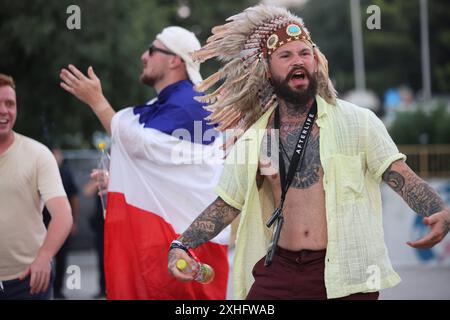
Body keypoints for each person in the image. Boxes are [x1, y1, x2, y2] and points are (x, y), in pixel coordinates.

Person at [167, 5, 450, 300]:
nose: (297, 61)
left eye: (304, 53)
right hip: (281, 269)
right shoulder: (258, 135)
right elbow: (228, 203)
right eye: (285, 56)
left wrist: (437, 210)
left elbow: (399, 174)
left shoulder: (357, 121)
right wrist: (181, 244)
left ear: (315, 60)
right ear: (267, 69)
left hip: (345, 274)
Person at [59, 26, 230, 299]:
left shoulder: (190, 103)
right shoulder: (164, 104)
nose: (143, 56)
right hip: (169, 249)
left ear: (175, 59)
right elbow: (163, 170)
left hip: (192, 249)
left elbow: (143, 145)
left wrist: (97, 101)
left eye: (152, 50)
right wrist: (123, 179)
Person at [0, 74, 73, 300]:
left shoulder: (38, 155)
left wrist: (44, 257)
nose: (4, 111)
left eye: (10, 104)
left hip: (28, 280)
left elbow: (63, 215)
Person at [42, 145, 80, 299]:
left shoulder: (65, 173)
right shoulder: (41, 172)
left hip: (62, 221)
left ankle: (57, 289)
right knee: (43, 257)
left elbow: (74, 198)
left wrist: (73, 221)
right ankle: (44, 287)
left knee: (62, 257)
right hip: (42, 222)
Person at [83, 178, 106, 299]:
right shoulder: (102, 172)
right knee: (101, 257)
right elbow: (87, 192)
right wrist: (99, 181)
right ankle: (103, 288)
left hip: (120, 222)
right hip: (101, 224)